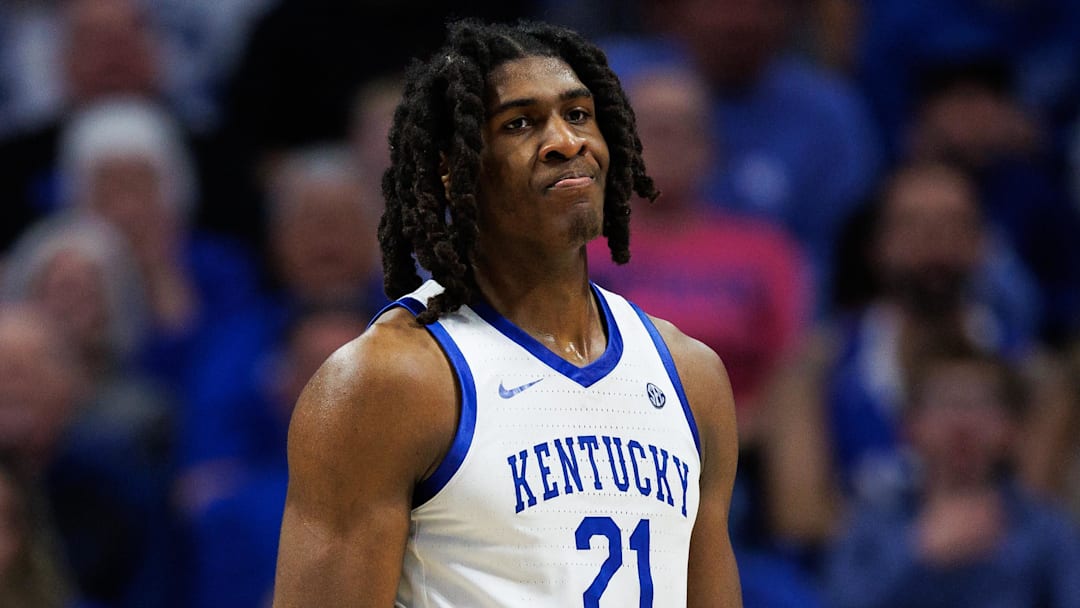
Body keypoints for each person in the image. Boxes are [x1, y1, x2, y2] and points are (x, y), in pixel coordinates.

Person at [272, 18, 742, 607]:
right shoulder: (387, 382)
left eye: (578, 115)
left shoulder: (690, 375)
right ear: (452, 168)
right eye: (520, 123)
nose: (566, 141)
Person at [824, 344, 1080, 608]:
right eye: (944, 402)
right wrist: (919, 553)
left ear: (1011, 427)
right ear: (909, 426)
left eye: (981, 403)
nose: (962, 422)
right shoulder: (872, 524)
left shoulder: (1047, 530)